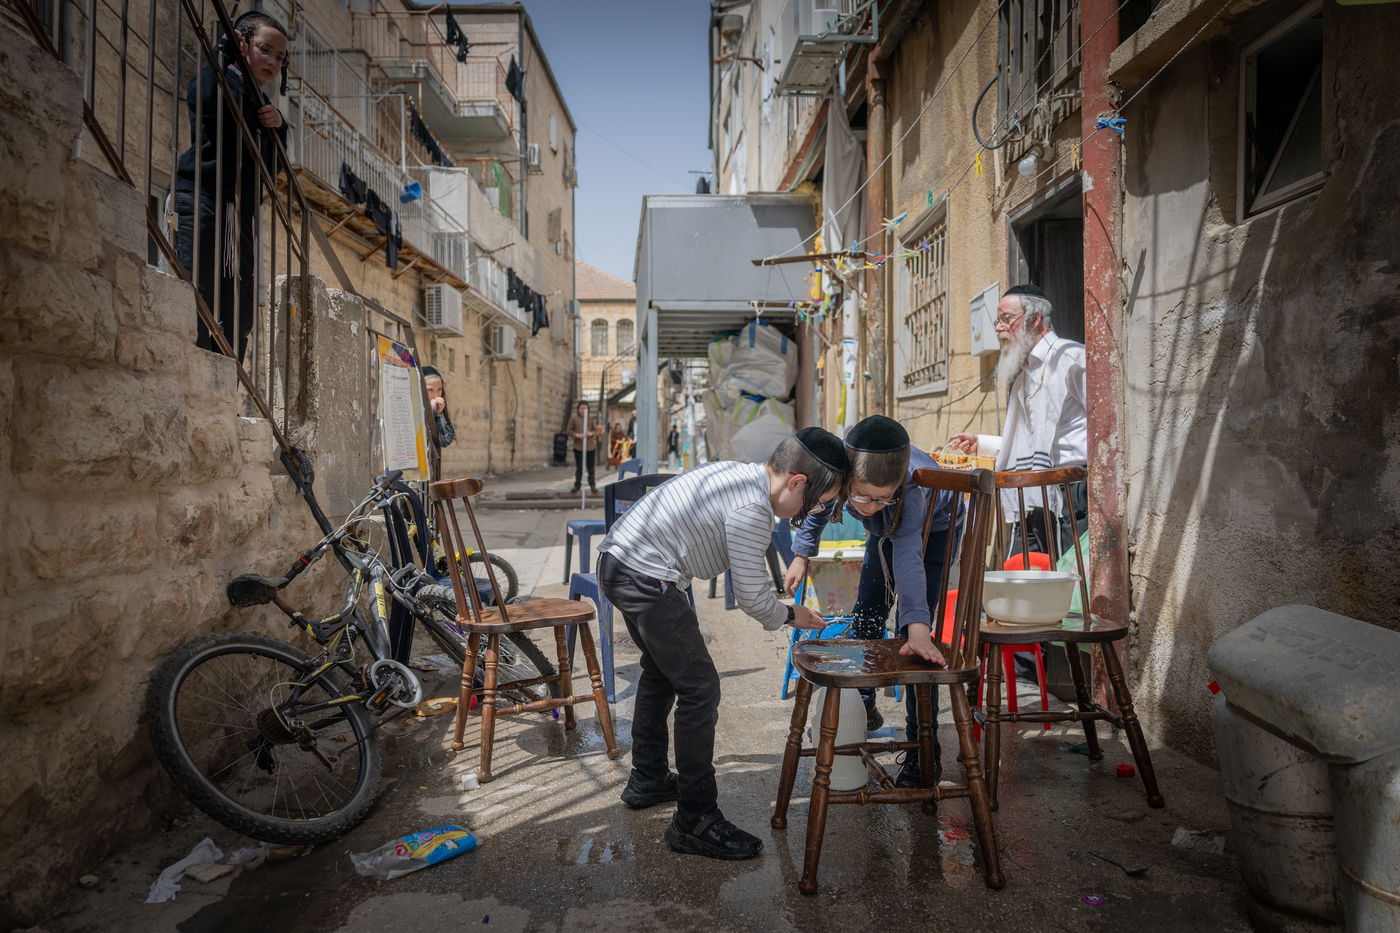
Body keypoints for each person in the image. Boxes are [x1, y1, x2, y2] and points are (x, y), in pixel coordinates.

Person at [596, 428, 848, 860]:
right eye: (819, 503)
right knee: (700, 688)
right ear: (797, 482)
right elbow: (752, 597)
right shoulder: (753, 510)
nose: (811, 513)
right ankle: (695, 818)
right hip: (646, 575)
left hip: (620, 562)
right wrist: (792, 616)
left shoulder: (739, 474)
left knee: (661, 672)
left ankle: (648, 779)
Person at [785, 415, 963, 789]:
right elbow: (821, 504)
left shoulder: (911, 491)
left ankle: (923, 754)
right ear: (847, 480)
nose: (867, 506)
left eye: (882, 497)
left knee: (913, 647)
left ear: (897, 486)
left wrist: (917, 628)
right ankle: (864, 705)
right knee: (867, 615)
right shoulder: (845, 477)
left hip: (932, 533)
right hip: (887, 532)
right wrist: (802, 553)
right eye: (860, 495)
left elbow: (908, 557)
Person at [173, 10, 290, 362]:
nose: (273, 62)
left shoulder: (265, 106)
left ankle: (223, 394)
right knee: (199, 297)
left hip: (240, 215)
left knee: (237, 313)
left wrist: (278, 129)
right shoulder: (217, 75)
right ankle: (191, 380)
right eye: (265, 50)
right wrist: (223, 55)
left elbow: (270, 169)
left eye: (280, 57)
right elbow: (205, 100)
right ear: (242, 43)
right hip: (202, 200)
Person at [947, 284, 1087, 556]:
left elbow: (1104, 425)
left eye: (1006, 319)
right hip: (1033, 495)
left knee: (1073, 581)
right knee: (1030, 581)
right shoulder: (1023, 375)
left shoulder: (1072, 358)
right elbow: (1032, 443)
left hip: (1071, 493)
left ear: (1035, 319)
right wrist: (981, 442)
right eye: (997, 321)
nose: (999, 328)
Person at [566, 401, 602, 492]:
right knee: (579, 468)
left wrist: (591, 433)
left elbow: (597, 431)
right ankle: (577, 485)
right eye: (582, 408)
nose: (583, 410)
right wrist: (577, 435)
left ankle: (592, 485)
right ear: (578, 409)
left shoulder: (590, 419)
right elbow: (569, 431)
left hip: (590, 447)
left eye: (585, 408)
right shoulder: (574, 418)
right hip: (578, 447)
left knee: (591, 468)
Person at [421, 366, 455, 449]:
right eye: (430, 390)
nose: (436, 396)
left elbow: (445, 441)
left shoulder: (437, 411)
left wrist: (438, 414)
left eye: (439, 390)